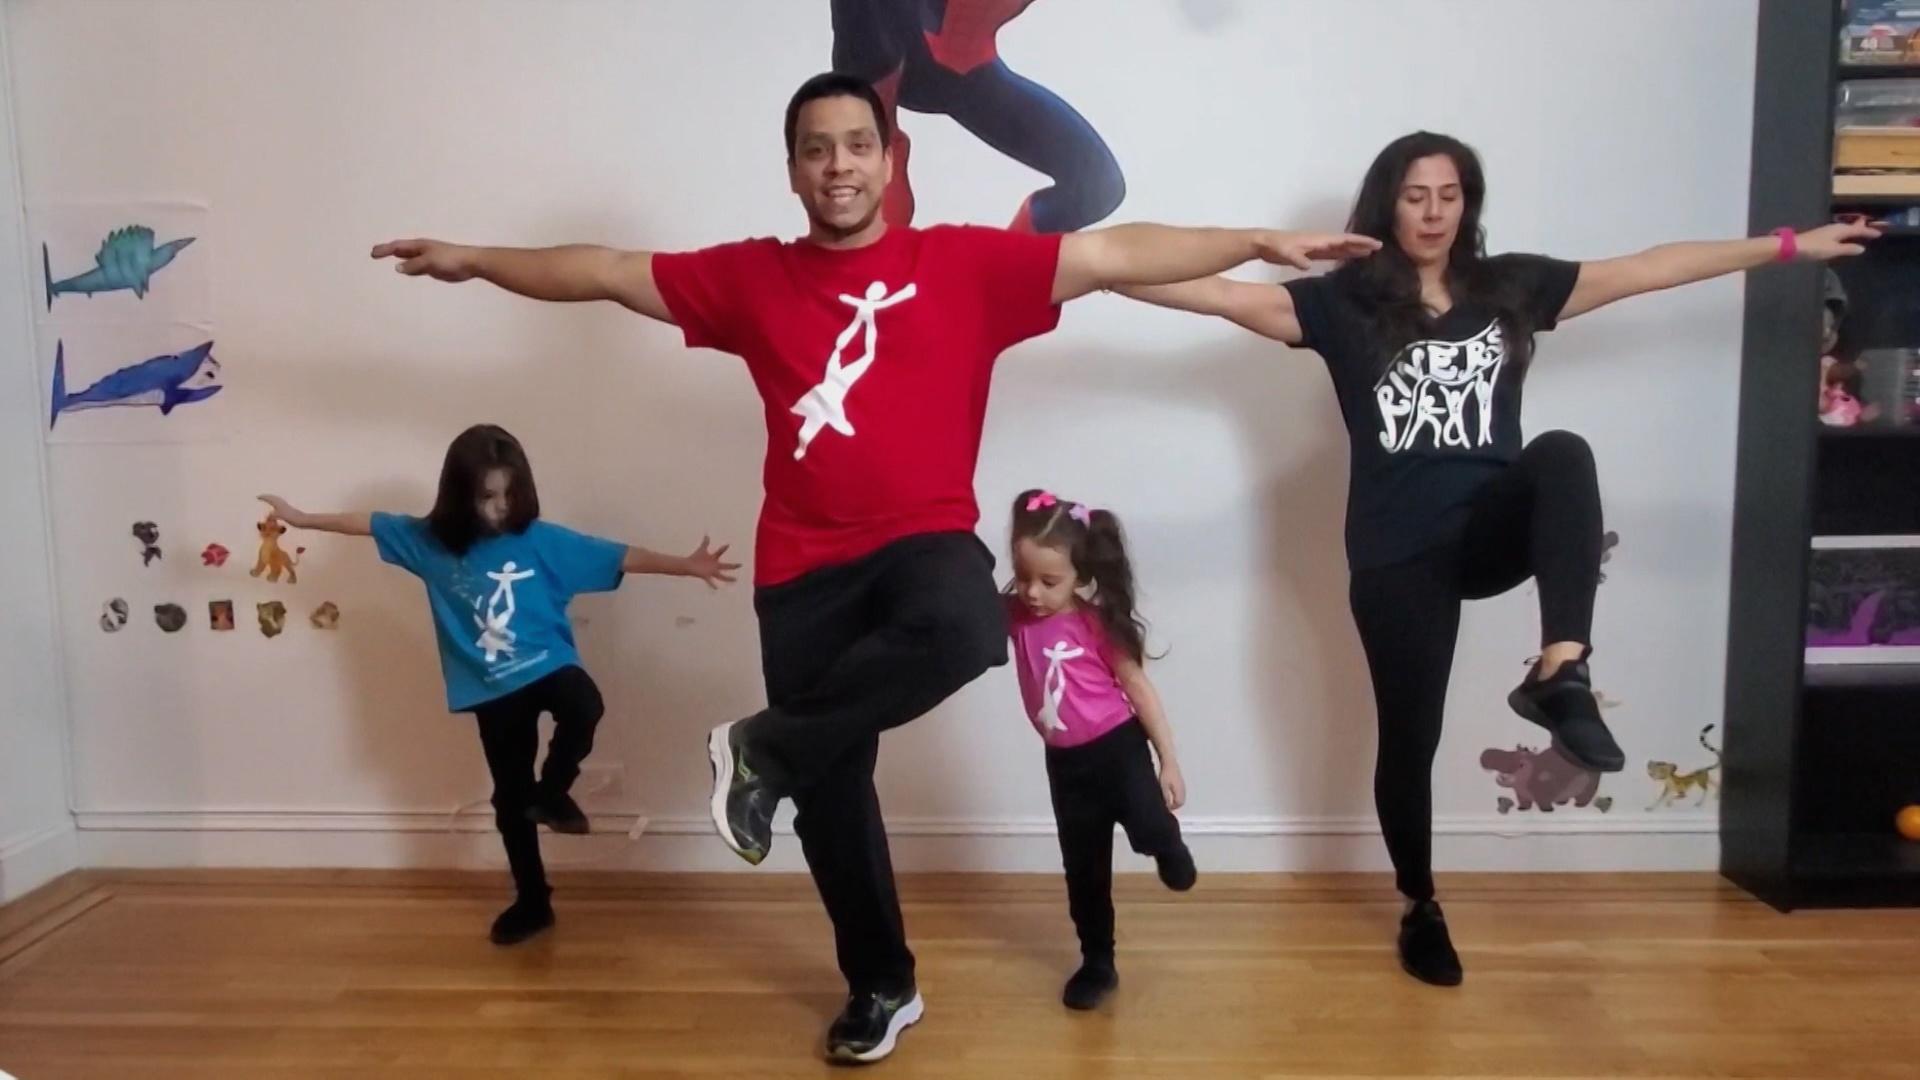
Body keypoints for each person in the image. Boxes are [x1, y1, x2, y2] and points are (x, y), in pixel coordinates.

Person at [369, 73, 1375, 1063]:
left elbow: (1113, 252)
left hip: (918, 543)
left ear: (891, 160)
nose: (838, 165)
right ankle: (881, 984)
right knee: (833, 794)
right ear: (794, 171)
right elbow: (604, 269)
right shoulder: (753, 278)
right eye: (817, 149)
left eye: (858, 144)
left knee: (967, 624)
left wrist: (1258, 241)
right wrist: (474, 259)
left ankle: (761, 748)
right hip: (799, 569)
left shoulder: (966, 264)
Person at [1118, 130, 1878, 987]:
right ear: (1387, 204)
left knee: (1561, 453)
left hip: (1488, 530)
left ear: (1467, 204)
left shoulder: (1510, 287)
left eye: (1449, 195)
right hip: (1397, 552)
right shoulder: (1340, 304)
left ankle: (1561, 670)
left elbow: (1648, 269)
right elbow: (1211, 294)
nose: (1433, 212)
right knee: (1410, 740)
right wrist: (1075, 266)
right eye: (1416, 196)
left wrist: (1789, 247)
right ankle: (1421, 903)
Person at [257, 424, 738, 946]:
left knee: (584, 703)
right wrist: (302, 518)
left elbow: (619, 555)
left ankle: (553, 791)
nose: (500, 507)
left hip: (546, 662)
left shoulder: (541, 541)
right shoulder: (429, 542)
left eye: (509, 494)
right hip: (489, 685)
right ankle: (533, 900)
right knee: (510, 797)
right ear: (459, 494)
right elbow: (368, 523)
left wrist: (686, 566)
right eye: (487, 497)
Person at [1005, 489, 1193, 1011]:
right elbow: (966, 614)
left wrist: (1168, 760)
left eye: (1049, 581)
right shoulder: (1014, 616)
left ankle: (1166, 843)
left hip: (1119, 749)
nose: (1033, 592)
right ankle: (1097, 961)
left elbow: (1138, 689)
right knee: (1083, 870)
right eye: (1023, 577)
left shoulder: (1093, 622)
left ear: (1079, 576)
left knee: (1148, 826)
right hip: (1066, 765)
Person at [830, 0, 1124, 232]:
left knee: (1099, 185)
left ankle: (1008, 270)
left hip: (964, 69)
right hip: (897, 54)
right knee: (872, 146)